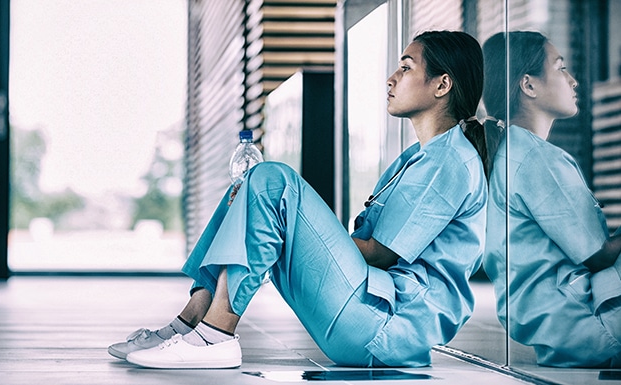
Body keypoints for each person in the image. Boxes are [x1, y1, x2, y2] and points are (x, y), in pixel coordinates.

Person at [109, 30, 489, 369]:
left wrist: (297, 228)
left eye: (406, 68)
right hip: (368, 314)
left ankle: (216, 336)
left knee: (272, 181)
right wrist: (268, 219)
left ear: (442, 85)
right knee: (248, 191)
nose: (391, 79)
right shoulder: (415, 158)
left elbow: (378, 252)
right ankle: (191, 322)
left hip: (386, 326)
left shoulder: (449, 160)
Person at [482, 31, 621, 367]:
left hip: (556, 333)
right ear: (528, 85)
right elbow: (598, 256)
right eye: (560, 68)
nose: (572, 81)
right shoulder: (536, 157)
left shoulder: (505, 151)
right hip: (595, 329)